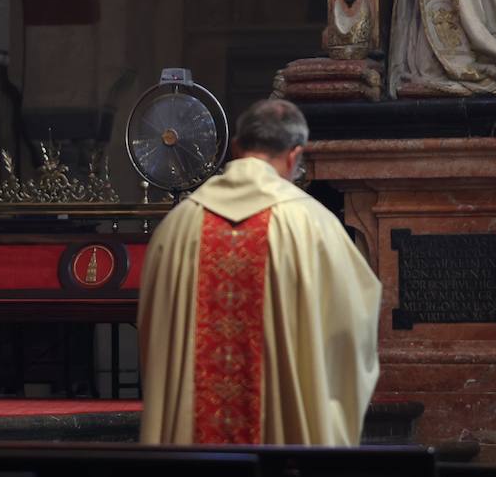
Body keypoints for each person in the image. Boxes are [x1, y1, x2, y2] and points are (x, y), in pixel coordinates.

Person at [137, 98, 381, 445]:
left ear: (236, 148)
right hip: (283, 457)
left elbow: (154, 337)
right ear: (295, 155)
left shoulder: (177, 229)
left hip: (192, 455)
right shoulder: (314, 227)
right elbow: (351, 332)